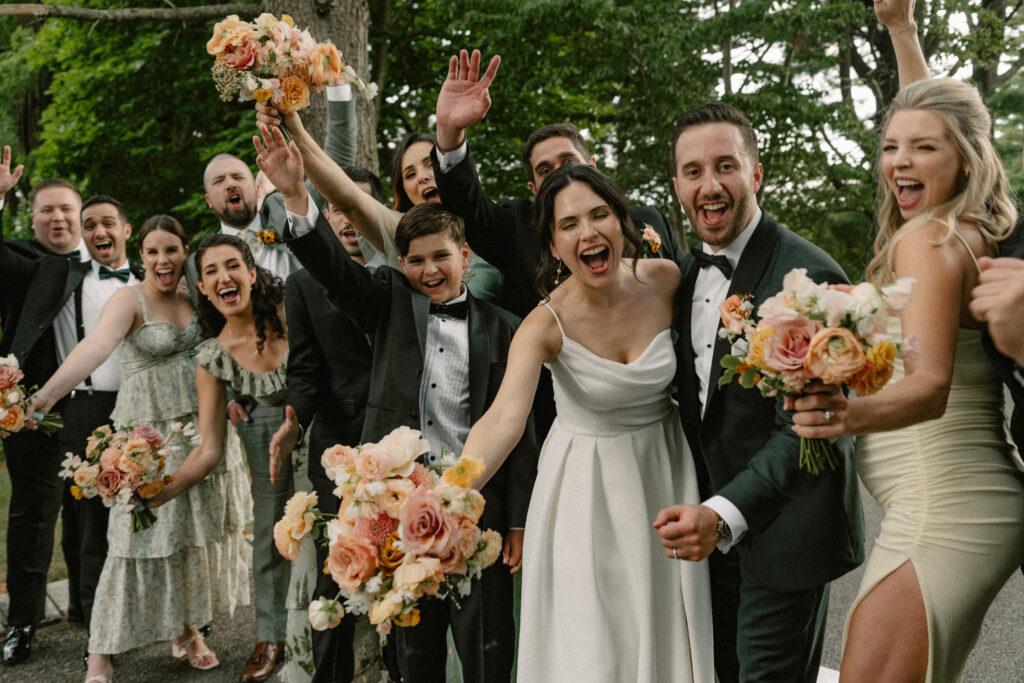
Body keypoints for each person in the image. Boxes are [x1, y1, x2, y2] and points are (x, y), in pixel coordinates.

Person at [254, 121, 537, 683]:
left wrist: (519, 520)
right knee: (413, 654)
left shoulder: (507, 328)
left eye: (441, 257)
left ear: (464, 256)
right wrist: (293, 196)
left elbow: (519, 426)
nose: (429, 270)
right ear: (400, 263)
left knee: (487, 651)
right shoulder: (384, 301)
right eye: (416, 260)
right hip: (394, 509)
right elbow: (333, 273)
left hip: (477, 508)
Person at [790, 77, 1024, 681]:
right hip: (960, 500)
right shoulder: (971, 230)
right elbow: (942, 108)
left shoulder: (929, 238)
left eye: (923, 148)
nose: (900, 162)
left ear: (966, 158)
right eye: (891, 146)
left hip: (941, 507)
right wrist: (902, 29)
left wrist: (843, 415)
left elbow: (931, 384)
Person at [449, 163, 713, 681]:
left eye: (600, 215)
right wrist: (446, 496)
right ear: (551, 243)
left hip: (665, 473)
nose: (588, 232)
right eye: (569, 224)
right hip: (583, 495)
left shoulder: (666, 281)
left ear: (622, 223)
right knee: (597, 644)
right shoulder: (544, 323)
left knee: (665, 634)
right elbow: (503, 418)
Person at [656, 103, 863, 683]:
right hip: (712, 536)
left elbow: (804, 430)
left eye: (726, 166)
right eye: (693, 171)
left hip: (785, 532)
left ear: (757, 174)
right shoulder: (687, 274)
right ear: (676, 185)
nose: (710, 184)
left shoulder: (809, 280)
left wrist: (720, 516)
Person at [29, 215, 251, 683]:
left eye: (171, 250)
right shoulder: (128, 299)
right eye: (152, 252)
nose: (161, 260)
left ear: (184, 253)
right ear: (143, 255)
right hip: (147, 443)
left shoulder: (198, 300)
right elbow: (98, 344)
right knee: (130, 546)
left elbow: (226, 351)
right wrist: (47, 395)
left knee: (188, 542)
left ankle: (188, 631)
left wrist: (235, 399)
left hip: (199, 433)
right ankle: (100, 650)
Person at [152, 233, 298, 682]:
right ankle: (270, 636)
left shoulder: (293, 313)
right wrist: (160, 491)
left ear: (252, 274)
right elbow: (210, 448)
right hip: (261, 439)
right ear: (202, 288)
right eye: (210, 271)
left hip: (321, 429)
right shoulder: (212, 357)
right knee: (272, 532)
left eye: (232, 265)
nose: (222, 277)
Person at [269, 167, 392, 683]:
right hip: (338, 448)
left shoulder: (409, 271)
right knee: (335, 575)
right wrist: (294, 419)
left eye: (355, 207)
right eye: (337, 209)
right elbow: (305, 370)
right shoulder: (301, 284)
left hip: (405, 444)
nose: (345, 219)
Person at [0, 157, 122, 666]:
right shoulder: (28, 263)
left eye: (67, 210)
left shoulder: (107, 265)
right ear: (32, 220)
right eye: (46, 211)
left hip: (100, 409)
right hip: (34, 410)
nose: (58, 218)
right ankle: (23, 622)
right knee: (35, 513)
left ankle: (88, 609)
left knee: (93, 516)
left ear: (82, 215)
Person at [60, 195, 144, 658]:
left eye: (108, 222)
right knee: (90, 521)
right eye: (89, 225)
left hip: (142, 412)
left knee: (147, 514)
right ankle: (97, 627)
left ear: (126, 230)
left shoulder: (153, 279)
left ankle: (163, 616)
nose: (98, 232)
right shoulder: (66, 280)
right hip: (85, 411)